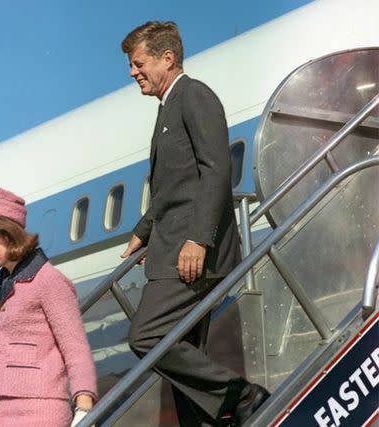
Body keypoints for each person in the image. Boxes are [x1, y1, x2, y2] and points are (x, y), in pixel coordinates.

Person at [119, 22, 269, 426]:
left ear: (167, 59)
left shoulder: (194, 96)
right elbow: (173, 188)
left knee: (147, 336)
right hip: (171, 247)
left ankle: (242, 395)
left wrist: (199, 239)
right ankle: (219, 415)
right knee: (184, 367)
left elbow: (217, 170)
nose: (133, 73)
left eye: (138, 63)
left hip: (190, 254)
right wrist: (143, 230)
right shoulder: (168, 108)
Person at [0, 185, 97, 427]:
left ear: (6, 233)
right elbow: (3, 354)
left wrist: (84, 406)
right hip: (4, 411)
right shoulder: (1, 287)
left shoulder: (48, 281)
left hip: (41, 410)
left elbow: (75, 347)